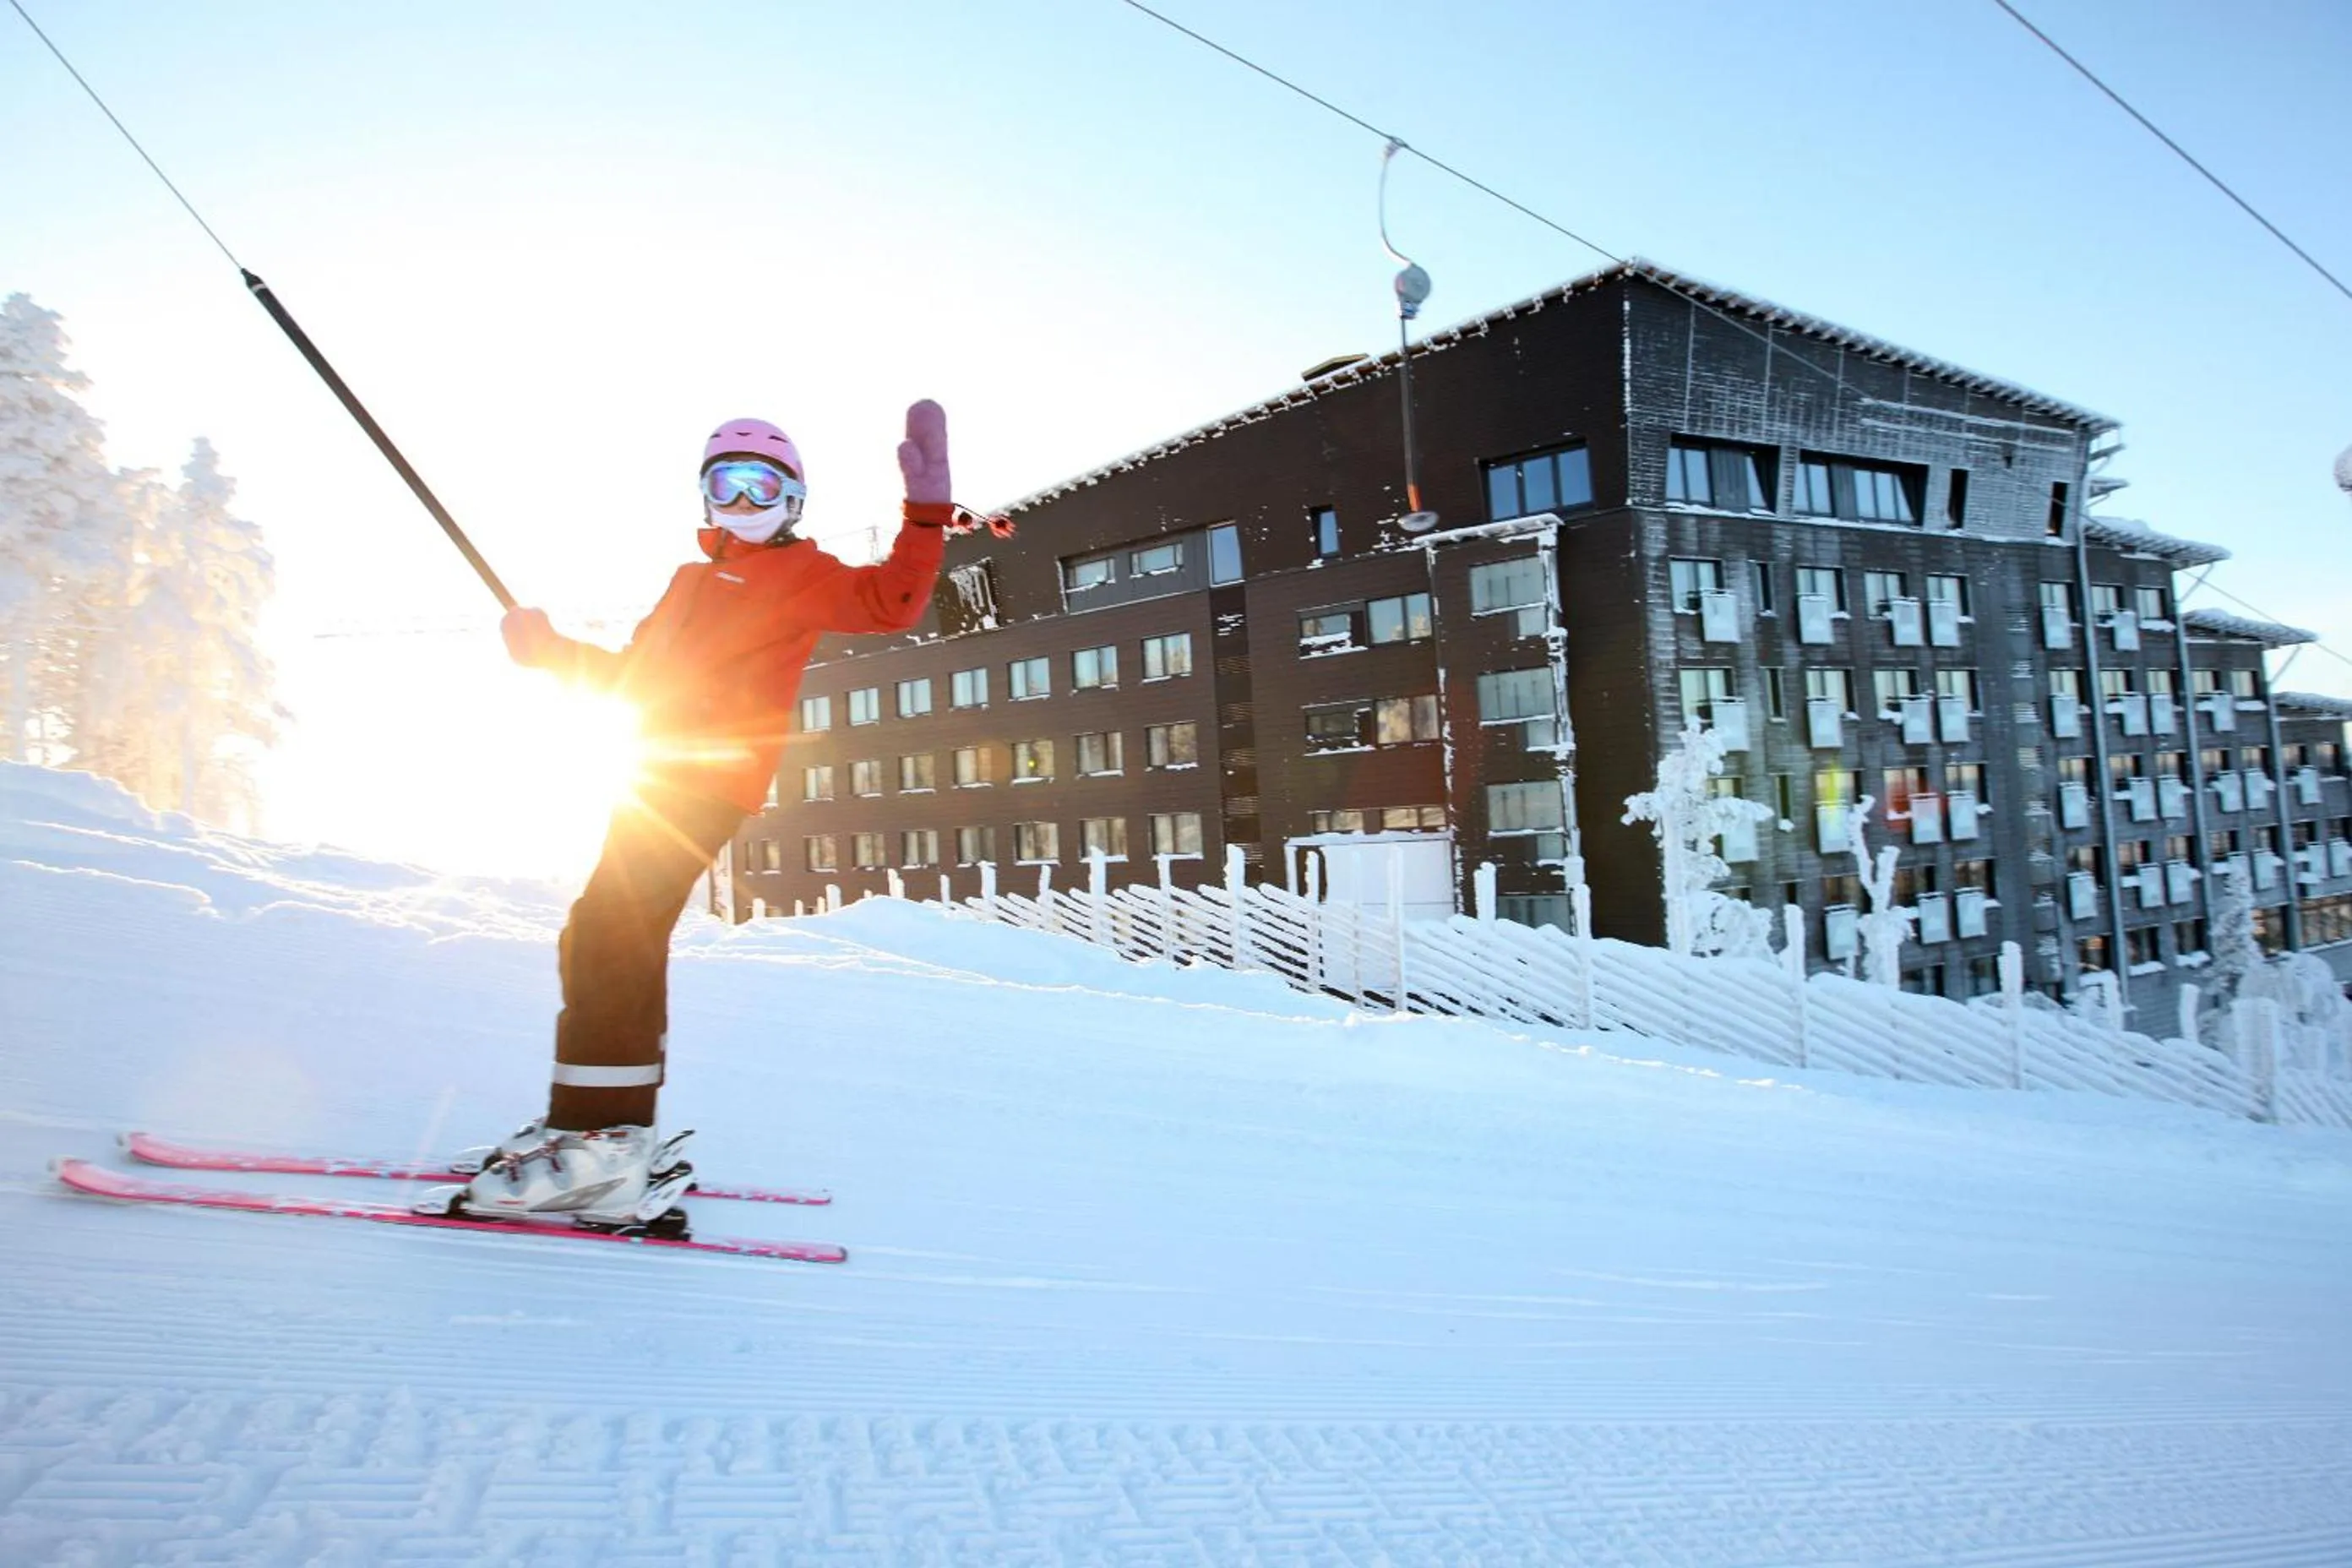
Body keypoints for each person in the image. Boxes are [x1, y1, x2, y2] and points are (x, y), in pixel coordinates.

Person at [450, 403, 966, 1229]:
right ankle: (609, 1127)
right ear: (706, 496)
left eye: (765, 483)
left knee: (612, 929)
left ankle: (602, 1144)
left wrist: (926, 514)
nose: (746, 498)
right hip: (654, 769)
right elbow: (636, 679)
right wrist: (548, 649)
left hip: (708, 776)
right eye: (727, 482)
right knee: (605, 932)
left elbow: (891, 601)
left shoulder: (801, 572)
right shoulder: (688, 582)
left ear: (794, 499)